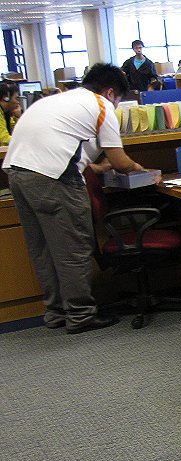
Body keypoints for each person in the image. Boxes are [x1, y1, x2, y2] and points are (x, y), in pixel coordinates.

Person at [3, 63, 146, 333]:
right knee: (72, 249)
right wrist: (144, 170)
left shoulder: (55, 101)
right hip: (53, 180)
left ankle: (56, 312)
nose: (116, 105)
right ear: (111, 91)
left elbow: (61, 146)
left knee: (43, 249)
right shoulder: (102, 106)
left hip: (17, 174)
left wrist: (96, 167)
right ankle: (81, 315)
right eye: (119, 100)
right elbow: (120, 161)